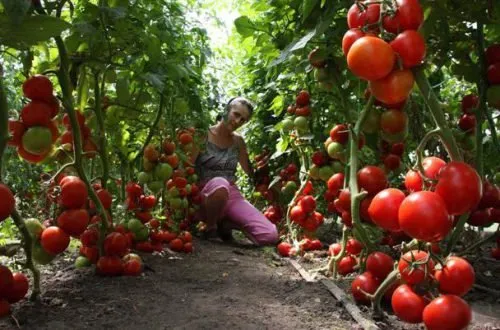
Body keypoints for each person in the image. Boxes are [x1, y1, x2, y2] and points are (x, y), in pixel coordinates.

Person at [191, 97, 278, 245]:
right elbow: (187, 167)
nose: (238, 121)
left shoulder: (238, 142)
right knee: (220, 184)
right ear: (226, 110)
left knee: (269, 235)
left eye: (243, 119)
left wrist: (268, 167)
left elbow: (249, 171)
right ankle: (210, 228)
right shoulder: (202, 135)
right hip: (203, 196)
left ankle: (226, 223)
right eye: (236, 114)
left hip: (231, 195)